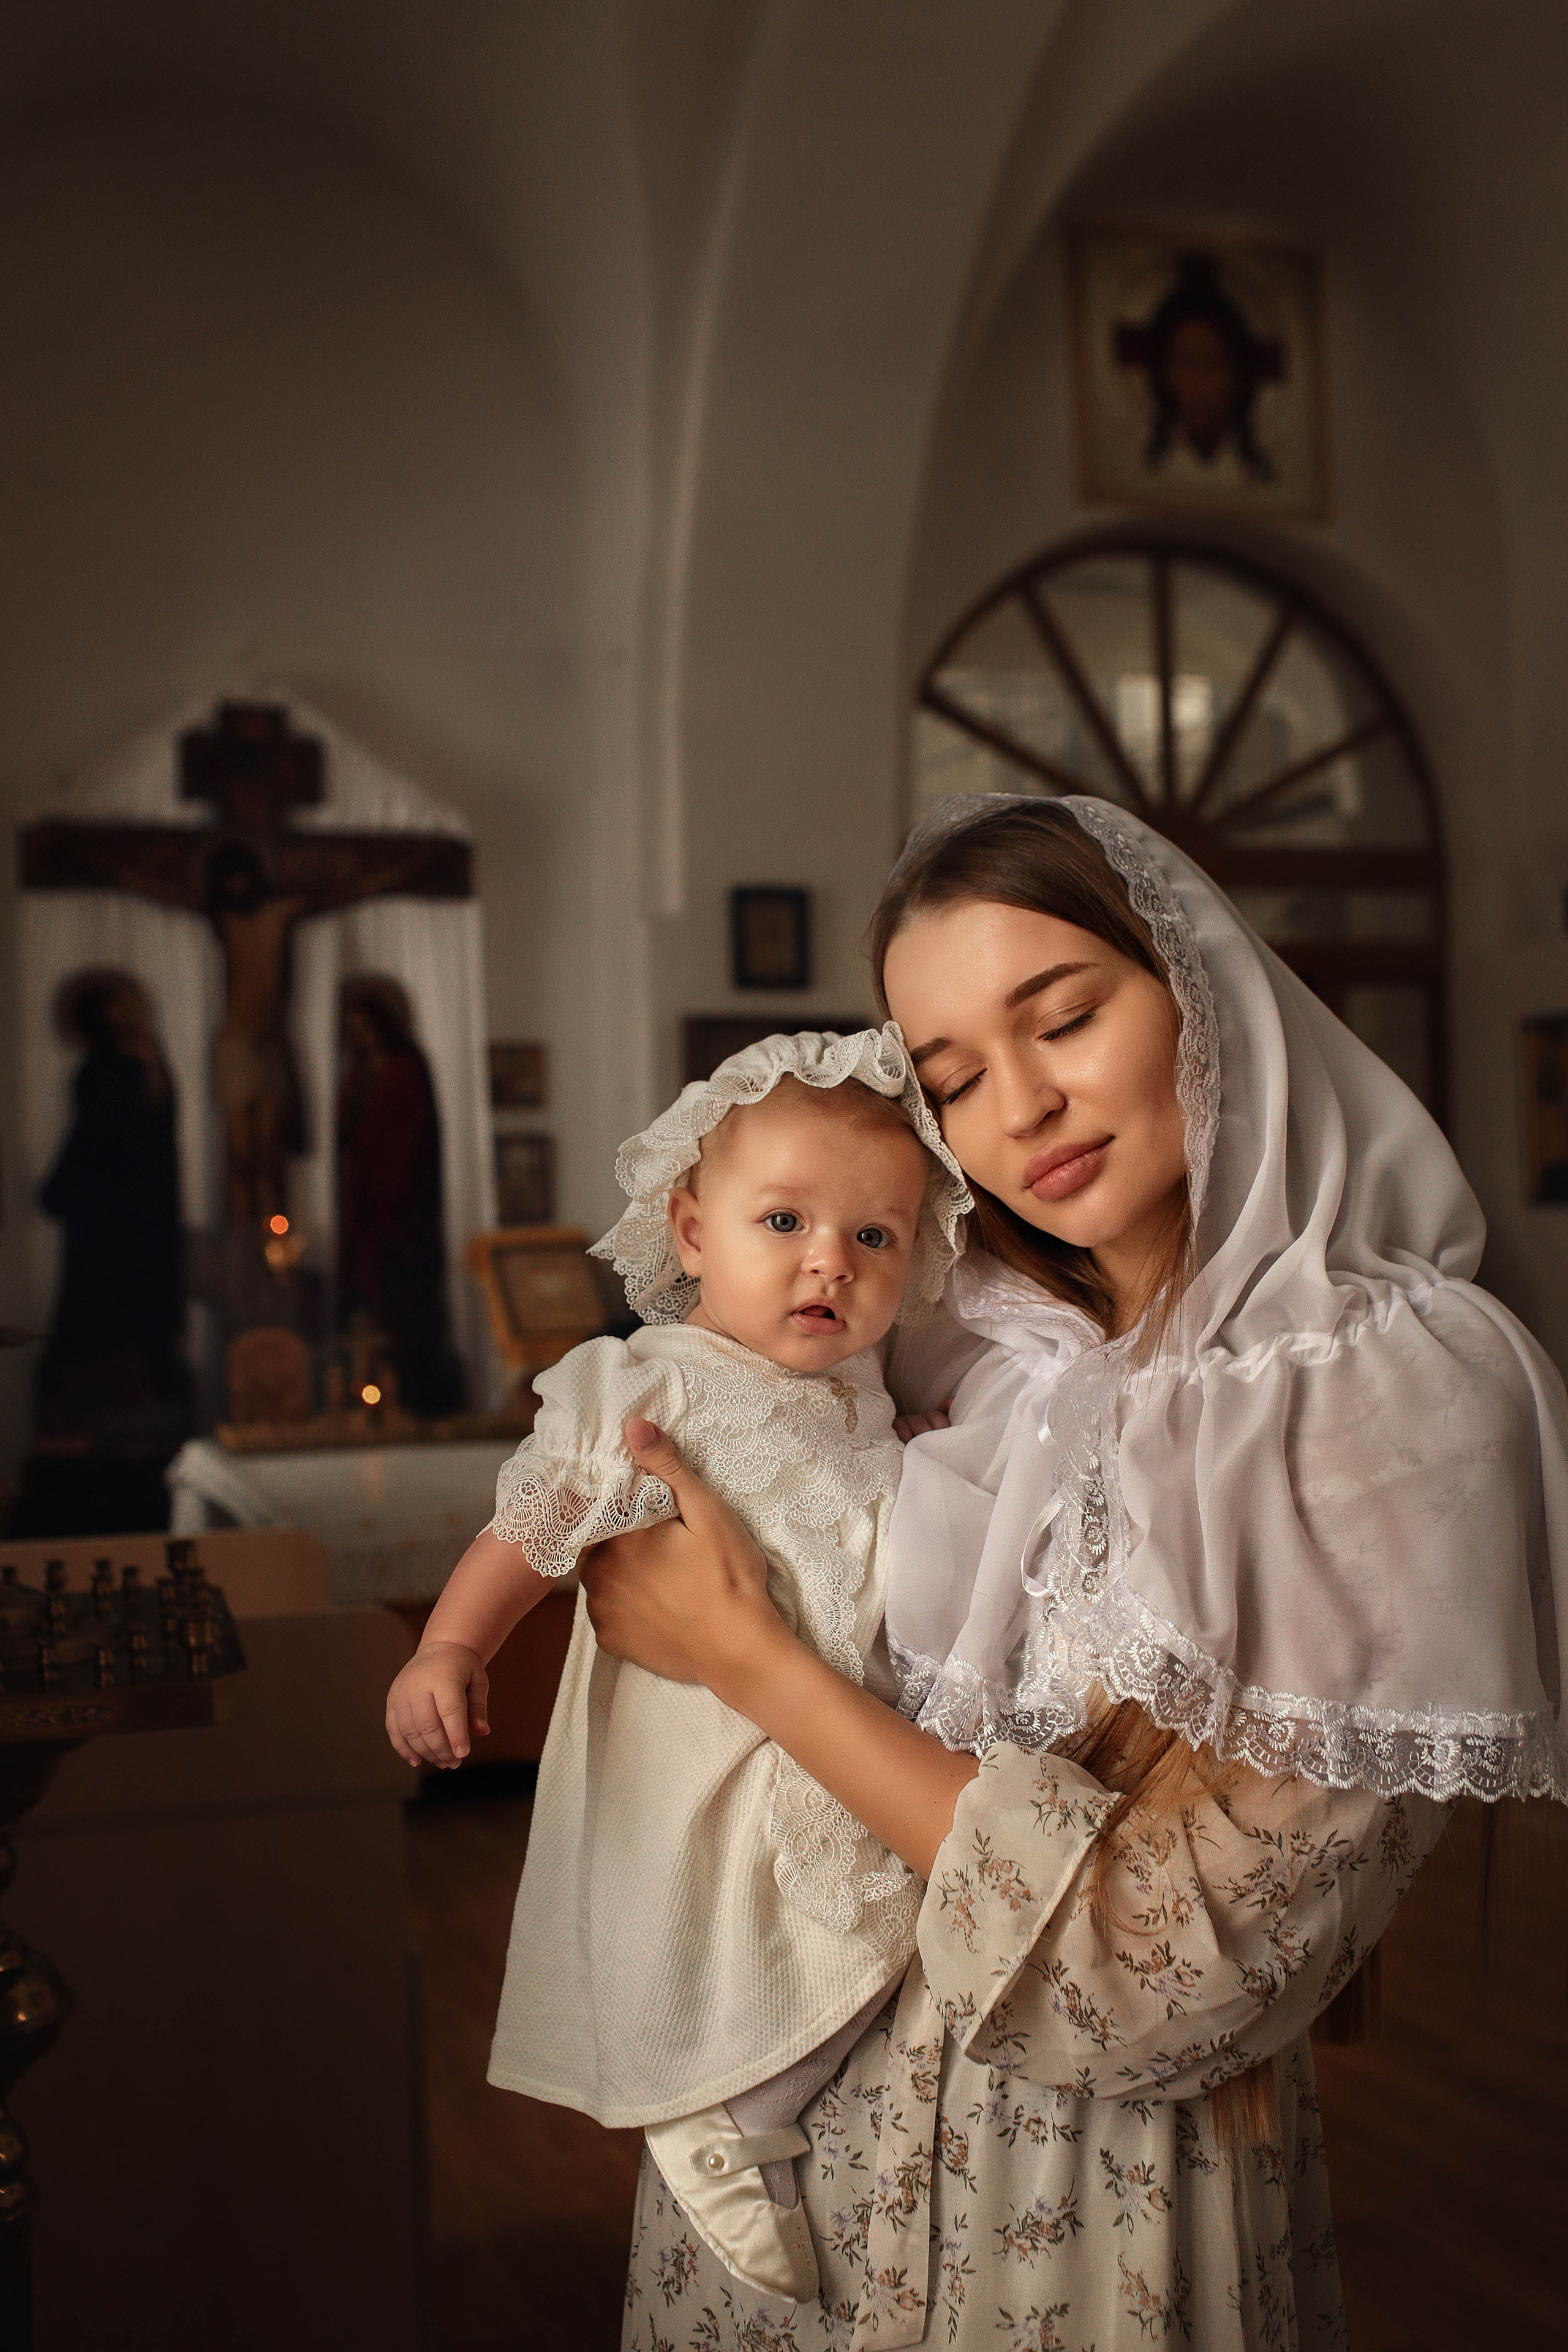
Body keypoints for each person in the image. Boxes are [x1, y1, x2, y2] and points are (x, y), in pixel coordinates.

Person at [582, 793, 1568, 2351]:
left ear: (1203, 991)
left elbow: (1166, 1974)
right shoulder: (947, 1340)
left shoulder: (1384, 1393)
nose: (1020, 1104)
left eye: (1063, 1016)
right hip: (765, 2187)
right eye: (954, 1078)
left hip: (1079, 2213)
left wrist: (749, 1660)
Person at [384, 1028, 971, 2301]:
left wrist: (918, 1448)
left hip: (813, 1728)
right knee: (722, 1936)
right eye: (784, 1220)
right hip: (697, 1743)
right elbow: (534, 1524)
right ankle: (716, 2123)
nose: (831, 1259)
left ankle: (744, 2104)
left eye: (874, 1237)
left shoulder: (858, 1391)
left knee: (839, 1946)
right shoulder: (656, 1386)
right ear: (692, 1232)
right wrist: (452, 1642)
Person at [336, 976, 466, 1417]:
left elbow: (405, 1142)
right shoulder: (358, 1075)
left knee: (404, 1304)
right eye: (356, 1033)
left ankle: (413, 1394)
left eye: (370, 1029)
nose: (365, 1039)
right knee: (367, 1302)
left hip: (401, 1215)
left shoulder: (406, 1068)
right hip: (366, 1213)